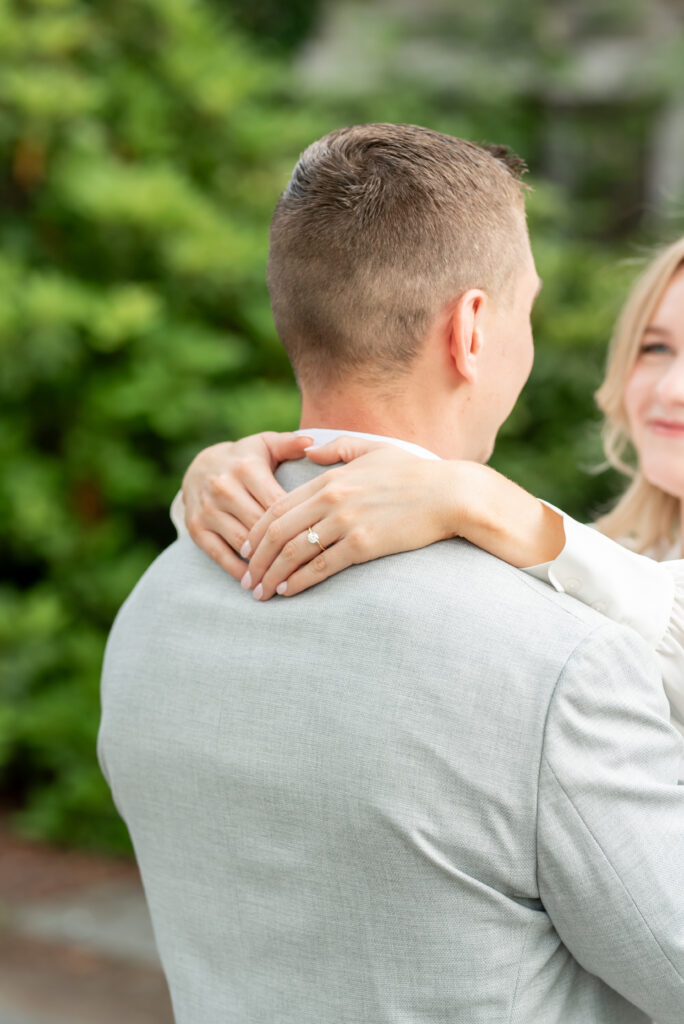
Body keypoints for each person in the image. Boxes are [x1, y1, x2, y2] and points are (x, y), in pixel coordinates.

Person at [99, 124, 684, 1023]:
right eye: (657, 348)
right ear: (475, 331)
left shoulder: (158, 604)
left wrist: (493, 506)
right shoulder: (561, 659)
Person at [175, 237, 684, 757]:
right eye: (656, 348)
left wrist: (474, 495)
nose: (671, 389)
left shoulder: (577, 558)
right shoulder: (595, 554)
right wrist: (247, 487)